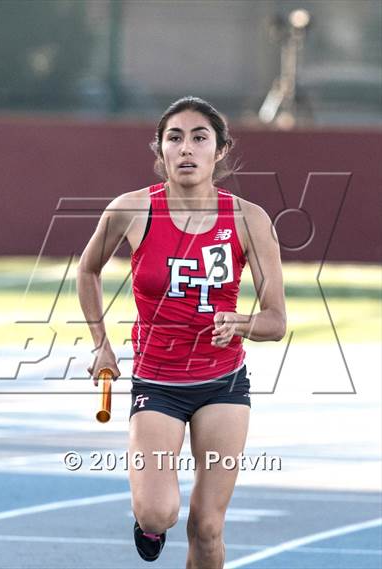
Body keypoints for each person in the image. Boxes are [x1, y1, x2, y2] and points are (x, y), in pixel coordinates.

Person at [77, 96, 286, 568]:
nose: (186, 149)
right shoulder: (130, 210)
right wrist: (101, 346)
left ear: (221, 150)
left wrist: (244, 323)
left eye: (199, 138)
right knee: (157, 512)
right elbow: (87, 271)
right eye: (175, 138)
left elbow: (276, 321)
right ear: (160, 150)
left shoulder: (250, 219)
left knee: (207, 529)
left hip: (223, 384)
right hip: (158, 384)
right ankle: (147, 522)